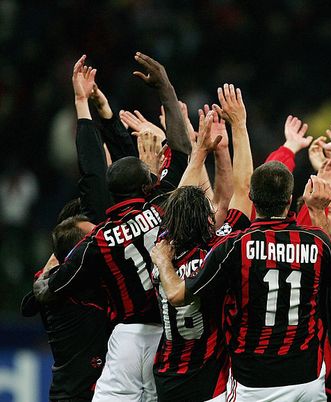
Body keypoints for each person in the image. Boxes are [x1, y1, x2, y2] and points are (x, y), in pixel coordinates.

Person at [33, 52, 191, 401]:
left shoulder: (99, 238)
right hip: (170, 331)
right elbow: (182, 148)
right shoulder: (161, 206)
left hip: (128, 339)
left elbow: (52, 286)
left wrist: (42, 286)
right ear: (147, 182)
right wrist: (164, 85)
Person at [153, 159, 331, 401]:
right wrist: (317, 210)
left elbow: (177, 296)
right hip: (307, 378)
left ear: (252, 198)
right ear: (289, 199)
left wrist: (162, 261)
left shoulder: (234, 246)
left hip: (253, 381)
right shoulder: (316, 241)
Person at [149, 84, 253, 402]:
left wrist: (202, 152)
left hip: (167, 372)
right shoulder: (216, 252)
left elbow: (185, 201)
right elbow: (240, 193)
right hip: (209, 377)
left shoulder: (161, 250)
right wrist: (234, 130)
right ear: (209, 222)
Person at [22, 214, 110, 402]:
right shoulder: (77, 285)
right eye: (95, 237)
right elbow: (27, 306)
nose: (103, 237)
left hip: (74, 388)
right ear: (79, 250)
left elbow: (28, 306)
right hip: (79, 393)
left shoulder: (52, 281)